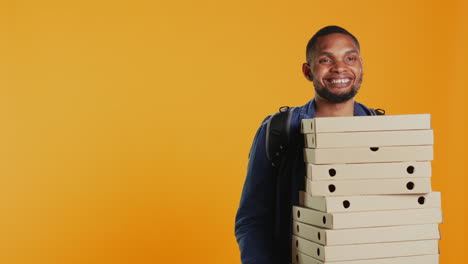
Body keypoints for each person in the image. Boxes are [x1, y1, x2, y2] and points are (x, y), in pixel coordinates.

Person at [234, 25, 380, 264]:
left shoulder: (385, 131)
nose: (340, 67)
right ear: (307, 70)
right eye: (326, 59)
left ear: (361, 66)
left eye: (350, 58)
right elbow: (253, 219)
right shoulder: (279, 130)